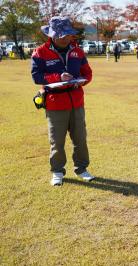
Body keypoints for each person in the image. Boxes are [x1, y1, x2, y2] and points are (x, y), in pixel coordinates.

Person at [31, 16, 94, 186]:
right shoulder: (40, 52)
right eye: (63, 35)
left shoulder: (77, 51)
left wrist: (80, 81)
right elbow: (37, 76)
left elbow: (87, 73)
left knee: (80, 139)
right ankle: (57, 171)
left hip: (76, 102)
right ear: (53, 35)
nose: (68, 38)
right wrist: (57, 77)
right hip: (55, 103)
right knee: (57, 141)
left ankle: (82, 169)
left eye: (69, 35)